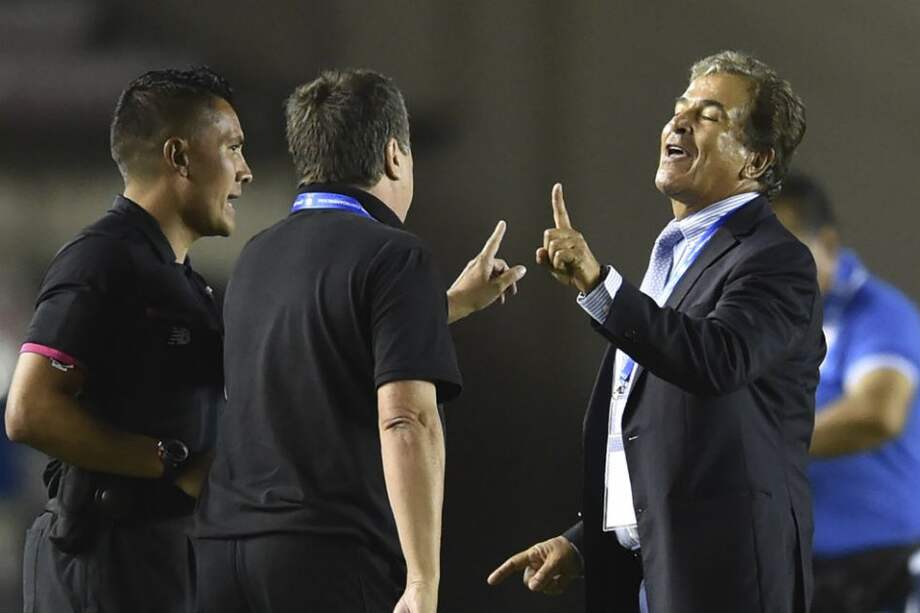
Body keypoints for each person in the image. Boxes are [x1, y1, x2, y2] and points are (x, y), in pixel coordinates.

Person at [488, 50, 824, 613]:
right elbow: (660, 429)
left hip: (730, 582)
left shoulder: (775, 260)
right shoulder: (676, 254)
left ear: (757, 161)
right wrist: (590, 542)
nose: (679, 122)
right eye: (680, 108)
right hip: (654, 575)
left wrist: (599, 284)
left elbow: (716, 360)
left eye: (711, 115)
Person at [193, 68, 526, 613]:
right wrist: (422, 580)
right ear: (395, 155)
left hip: (221, 557)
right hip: (326, 561)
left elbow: (326, 346)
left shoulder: (256, 255)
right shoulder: (395, 254)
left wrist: (444, 307)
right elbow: (407, 419)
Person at [4, 67, 252, 613]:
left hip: (161, 556)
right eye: (232, 148)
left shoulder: (184, 282)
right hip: (103, 561)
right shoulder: (102, 259)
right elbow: (29, 410)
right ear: (180, 157)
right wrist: (166, 461)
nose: (245, 171)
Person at [773, 173, 920, 613]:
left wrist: (759, 446)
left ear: (829, 245)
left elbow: (877, 414)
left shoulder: (877, 314)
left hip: (879, 567)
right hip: (795, 562)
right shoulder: (758, 322)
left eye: (784, 251)